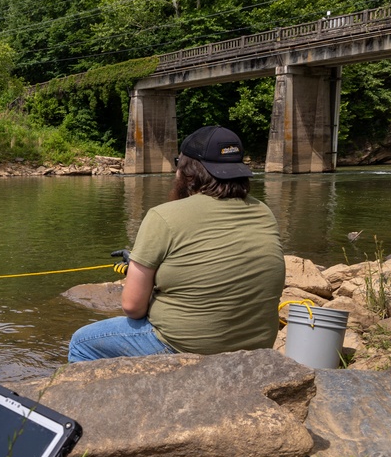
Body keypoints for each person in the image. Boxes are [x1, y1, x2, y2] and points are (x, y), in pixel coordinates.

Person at [68, 125, 285, 362]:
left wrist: (141, 273)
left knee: (82, 342)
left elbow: (132, 307)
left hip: (186, 346)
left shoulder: (163, 215)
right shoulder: (263, 211)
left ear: (187, 172)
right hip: (257, 345)